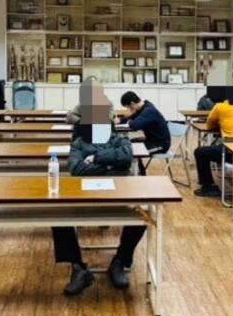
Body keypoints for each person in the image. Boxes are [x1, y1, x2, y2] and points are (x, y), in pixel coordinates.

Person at [52, 93, 142, 296]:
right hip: (85, 196)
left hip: (117, 195)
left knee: (144, 213)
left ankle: (120, 261)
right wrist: (111, 165)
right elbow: (77, 170)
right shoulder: (79, 143)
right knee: (57, 215)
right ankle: (78, 268)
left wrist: (96, 158)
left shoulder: (120, 139)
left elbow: (126, 158)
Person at [193, 93, 233, 198]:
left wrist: (220, 123)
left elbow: (209, 125)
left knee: (200, 152)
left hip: (232, 152)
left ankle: (208, 187)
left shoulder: (219, 107)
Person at [120, 91, 170, 174]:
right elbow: (131, 118)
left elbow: (135, 126)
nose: (128, 110)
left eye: (128, 107)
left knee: (130, 151)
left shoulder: (149, 110)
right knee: (128, 143)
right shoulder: (143, 107)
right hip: (150, 140)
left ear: (132, 104)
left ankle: (138, 174)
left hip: (160, 145)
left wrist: (129, 122)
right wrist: (120, 121)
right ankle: (141, 172)